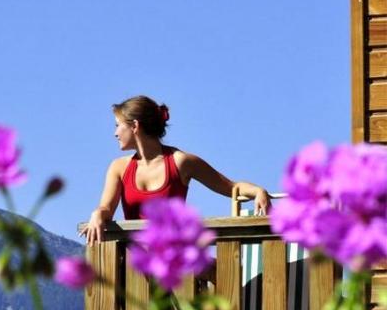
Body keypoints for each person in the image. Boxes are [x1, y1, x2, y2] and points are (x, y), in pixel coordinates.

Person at [79, 95, 271, 245]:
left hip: (173, 263)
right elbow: (106, 208)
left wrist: (258, 191)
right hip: (134, 268)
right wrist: (97, 214)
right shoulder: (119, 168)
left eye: (117, 125)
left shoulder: (181, 162)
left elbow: (230, 187)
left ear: (135, 126)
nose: (115, 133)